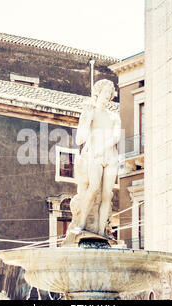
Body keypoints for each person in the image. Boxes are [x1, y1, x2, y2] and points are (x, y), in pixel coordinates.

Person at [70, 79, 120, 237]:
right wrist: (86, 119)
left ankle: (100, 231)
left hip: (110, 157)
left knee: (107, 194)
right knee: (93, 188)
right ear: (97, 93)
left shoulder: (114, 117)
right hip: (94, 157)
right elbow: (80, 139)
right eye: (104, 93)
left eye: (109, 94)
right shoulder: (90, 112)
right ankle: (82, 224)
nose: (107, 97)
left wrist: (102, 148)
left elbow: (116, 137)